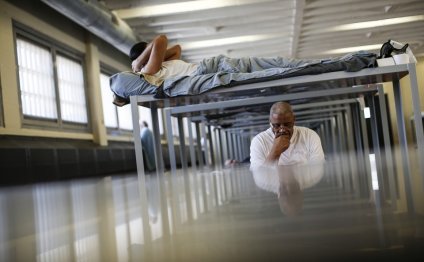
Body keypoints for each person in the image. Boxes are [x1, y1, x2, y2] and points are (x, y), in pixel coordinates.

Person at [250, 101, 325, 170]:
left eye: (287, 124)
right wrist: (275, 151)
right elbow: (258, 177)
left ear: (293, 120)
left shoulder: (309, 136)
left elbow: (319, 169)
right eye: (277, 125)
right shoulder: (259, 141)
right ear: (270, 122)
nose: (282, 129)